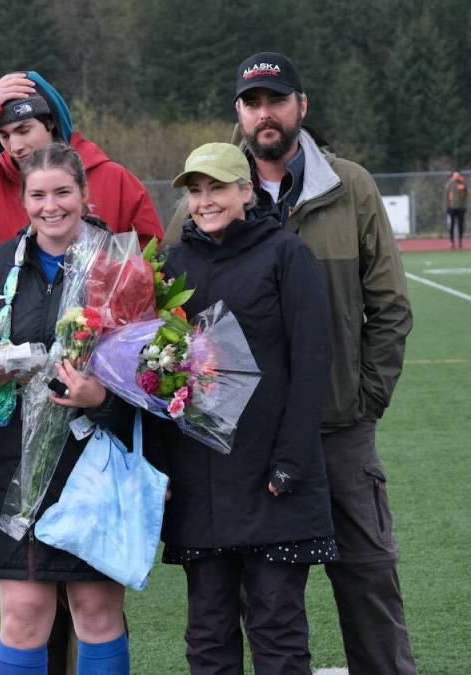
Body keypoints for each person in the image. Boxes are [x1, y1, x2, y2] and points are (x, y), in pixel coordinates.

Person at [162, 52, 417, 674]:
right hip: (243, 444)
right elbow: (173, 326)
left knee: (367, 582)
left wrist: (362, 400)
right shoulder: (199, 201)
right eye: (253, 102)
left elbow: (388, 306)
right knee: (259, 603)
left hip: (337, 429)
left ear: (301, 106)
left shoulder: (349, 186)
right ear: (239, 114)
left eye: (277, 99)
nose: (265, 113)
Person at [0, 143, 136, 675]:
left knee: (96, 611)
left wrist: (101, 398)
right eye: (38, 195)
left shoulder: (119, 267)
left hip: (93, 465)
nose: (50, 206)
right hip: (14, 467)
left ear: (84, 194)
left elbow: (151, 378)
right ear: (22, 199)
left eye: (62, 192)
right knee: (25, 616)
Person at [152, 142, 335, 672]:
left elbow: (311, 363)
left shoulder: (285, 254)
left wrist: (291, 461)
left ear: (246, 190)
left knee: (277, 630)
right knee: (208, 636)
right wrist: (163, 467)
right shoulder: (171, 265)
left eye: (218, 188)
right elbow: (157, 380)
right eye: (195, 190)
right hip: (199, 481)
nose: (205, 201)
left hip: (271, 479)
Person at [0, 71, 162, 257]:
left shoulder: (113, 179)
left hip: (93, 325)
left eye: (24, 130)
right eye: (4, 135)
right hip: (4, 325)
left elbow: (152, 260)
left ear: (51, 122)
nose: (15, 146)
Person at [445, 169, 466, 249]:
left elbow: (465, 196)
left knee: (461, 225)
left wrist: (464, 207)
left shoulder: (463, 183)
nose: (456, 176)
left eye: (457, 174)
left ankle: (460, 241)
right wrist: (447, 207)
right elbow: (445, 197)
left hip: (460, 208)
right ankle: (452, 242)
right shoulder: (449, 184)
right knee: (451, 226)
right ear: (453, 175)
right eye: (455, 174)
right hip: (451, 208)